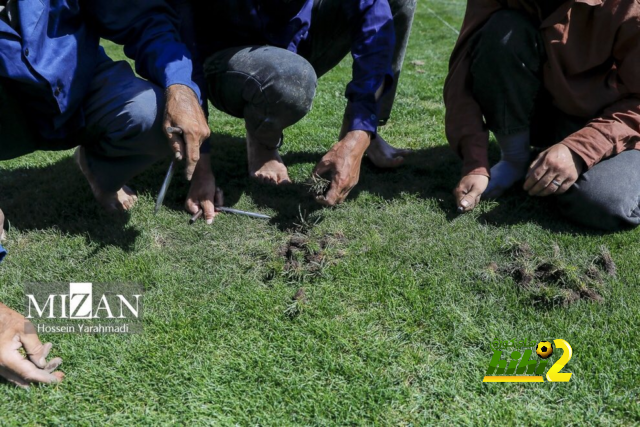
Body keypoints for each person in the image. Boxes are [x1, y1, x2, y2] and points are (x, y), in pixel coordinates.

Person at [0, 0, 218, 387]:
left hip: (78, 86)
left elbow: (141, 16)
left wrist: (180, 84)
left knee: (150, 114)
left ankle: (99, 166)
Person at [192, 0, 416, 206]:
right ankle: (263, 141)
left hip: (295, 37)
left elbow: (372, 10)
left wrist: (360, 129)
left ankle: (361, 134)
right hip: (225, 58)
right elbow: (183, 41)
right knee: (288, 76)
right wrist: (201, 163)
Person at [445, 0, 640, 230]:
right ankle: (515, 160)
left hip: (616, 123)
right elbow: (462, 74)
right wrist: (475, 162)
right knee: (501, 30)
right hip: (547, 108)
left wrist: (581, 149)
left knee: (602, 203)